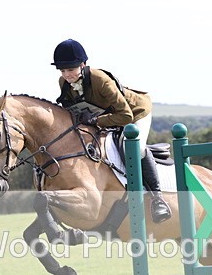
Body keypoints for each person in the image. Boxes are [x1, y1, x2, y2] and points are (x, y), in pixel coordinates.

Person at [51, 38, 171, 223]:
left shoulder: (101, 80)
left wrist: (95, 120)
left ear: (83, 65)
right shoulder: (64, 82)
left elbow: (125, 116)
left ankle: (157, 199)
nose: (67, 75)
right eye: (63, 70)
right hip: (107, 117)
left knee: (134, 148)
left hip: (135, 113)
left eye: (71, 69)